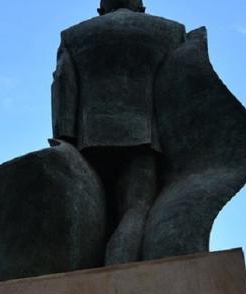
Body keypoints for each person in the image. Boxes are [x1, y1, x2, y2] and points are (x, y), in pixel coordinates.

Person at [51, 0, 186, 264]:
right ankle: (121, 276)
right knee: (135, 210)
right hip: (145, 138)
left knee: (97, 217)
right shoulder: (171, 32)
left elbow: (62, 86)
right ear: (141, 7)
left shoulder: (73, 36)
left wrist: (64, 140)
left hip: (87, 141)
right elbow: (184, 87)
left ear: (100, 8)